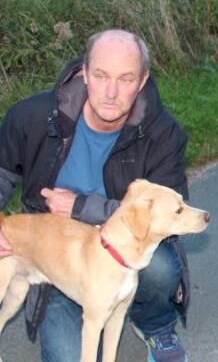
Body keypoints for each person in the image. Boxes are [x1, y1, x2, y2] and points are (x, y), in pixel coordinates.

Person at [0, 29, 192, 362]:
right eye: (101, 75)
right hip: (59, 255)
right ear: (84, 73)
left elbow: (170, 215)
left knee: (160, 266)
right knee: (67, 356)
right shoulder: (32, 117)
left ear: (143, 80)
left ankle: (154, 324)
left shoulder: (164, 134)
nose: (111, 92)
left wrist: (80, 207)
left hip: (122, 250)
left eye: (126, 78)